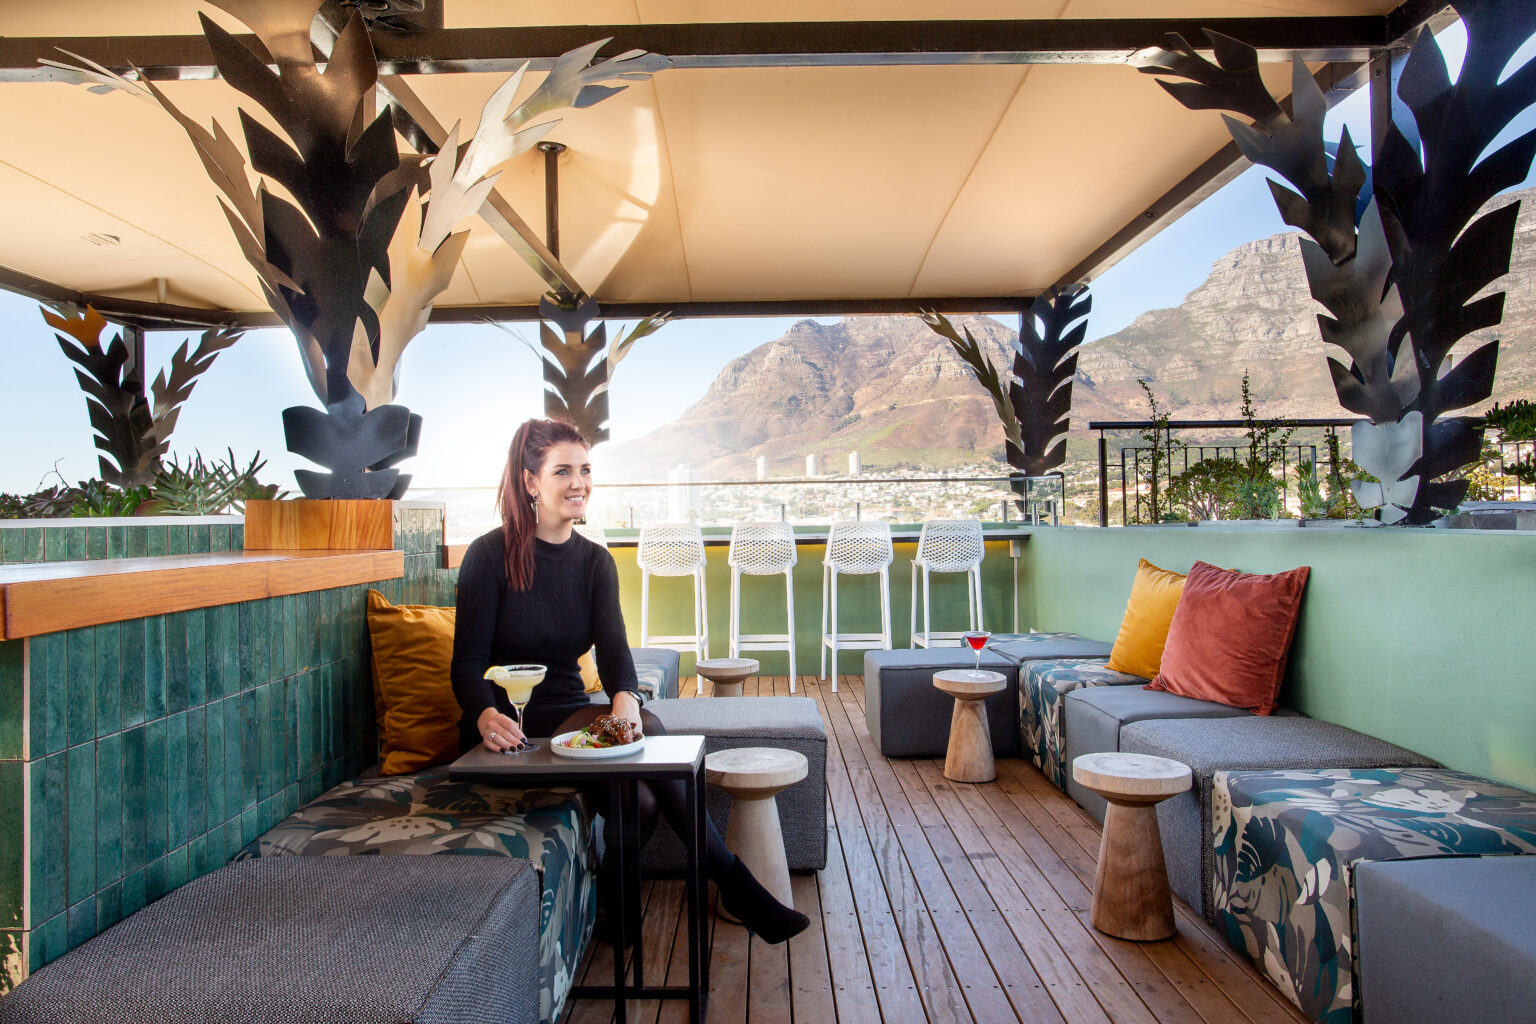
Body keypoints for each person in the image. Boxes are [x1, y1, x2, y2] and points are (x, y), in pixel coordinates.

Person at [450, 417, 808, 945]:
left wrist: (625, 703)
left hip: (571, 716)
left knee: (640, 794)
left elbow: (617, 658)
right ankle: (732, 883)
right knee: (652, 736)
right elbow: (466, 660)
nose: (579, 483)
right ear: (531, 482)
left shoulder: (594, 562)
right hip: (510, 729)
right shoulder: (488, 555)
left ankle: (618, 905)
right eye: (563, 471)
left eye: (586, 469)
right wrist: (484, 714)